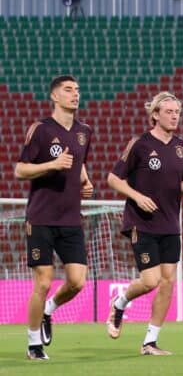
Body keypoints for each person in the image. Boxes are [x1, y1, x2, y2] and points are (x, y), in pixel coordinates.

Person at [106, 91, 183, 355]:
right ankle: (120, 302)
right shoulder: (140, 144)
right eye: (169, 111)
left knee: (168, 282)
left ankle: (150, 341)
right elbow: (114, 179)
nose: (174, 116)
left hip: (170, 223)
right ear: (155, 115)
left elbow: (177, 184)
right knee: (150, 280)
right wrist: (137, 196)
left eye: (177, 112)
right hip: (141, 221)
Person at [15, 75, 94, 360]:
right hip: (41, 217)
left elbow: (80, 160)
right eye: (68, 90)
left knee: (77, 281)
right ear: (54, 97)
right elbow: (20, 170)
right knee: (44, 281)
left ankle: (49, 311)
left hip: (71, 219)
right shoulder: (40, 130)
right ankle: (34, 344)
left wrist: (85, 181)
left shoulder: (85, 130)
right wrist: (52, 164)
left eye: (77, 90)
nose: (75, 94)